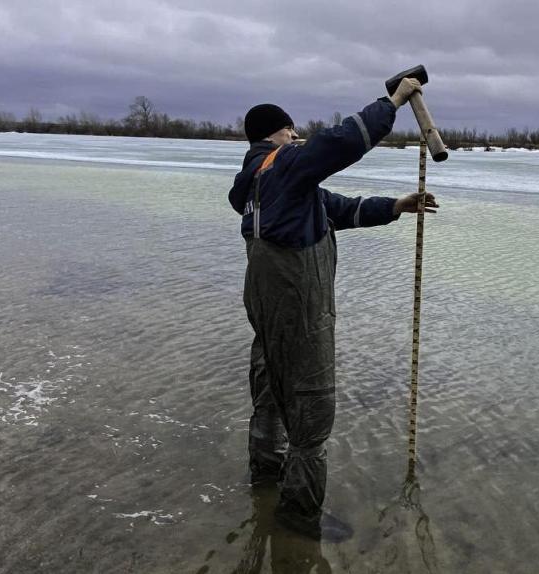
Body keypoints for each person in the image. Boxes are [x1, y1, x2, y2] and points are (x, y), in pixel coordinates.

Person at [227, 77, 438, 541]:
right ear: (278, 133)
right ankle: (299, 514)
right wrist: (394, 102)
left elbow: (334, 209)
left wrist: (396, 206)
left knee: (269, 394)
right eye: (291, 131)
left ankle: (264, 476)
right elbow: (339, 142)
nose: (296, 136)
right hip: (300, 314)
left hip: (265, 313)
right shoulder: (282, 165)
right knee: (311, 410)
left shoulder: (260, 183)